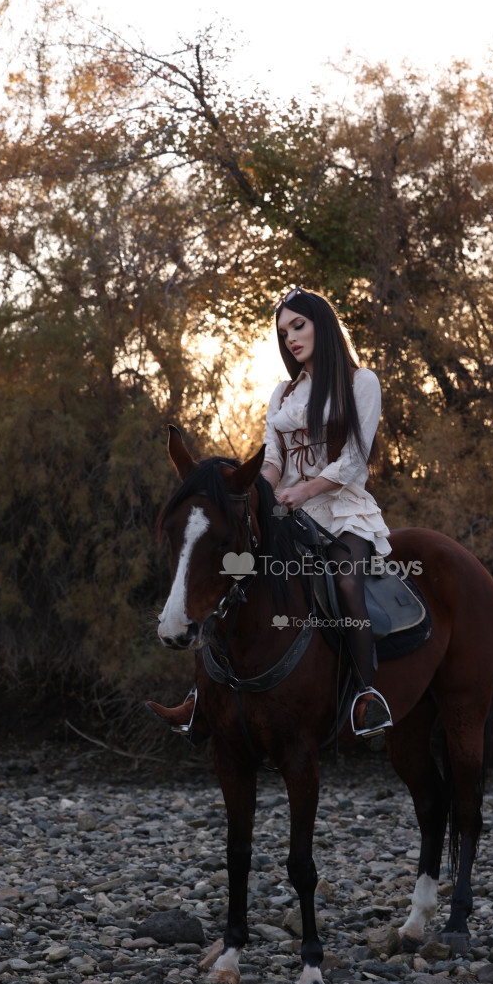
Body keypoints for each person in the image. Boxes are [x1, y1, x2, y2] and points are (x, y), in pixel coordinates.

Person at [148, 286, 393, 738]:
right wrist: (259, 490)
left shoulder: (361, 382)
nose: (291, 338)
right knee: (233, 575)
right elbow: (274, 460)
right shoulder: (282, 393)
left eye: (298, 326)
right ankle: (202, 694)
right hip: (287, 511)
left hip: (343, 510)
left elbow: (355, 460)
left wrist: (306, 491)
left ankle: (367, 694)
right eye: (283, 333)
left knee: (345, 582)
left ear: (322, 324)